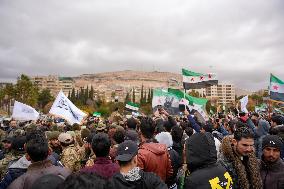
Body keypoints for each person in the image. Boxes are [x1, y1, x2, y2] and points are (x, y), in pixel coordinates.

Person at [137, 117, 173, 183]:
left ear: (140, 131)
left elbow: (138, 180)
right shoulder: (164, 149)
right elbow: (169, 172)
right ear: (154, 131)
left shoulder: (140, 153)